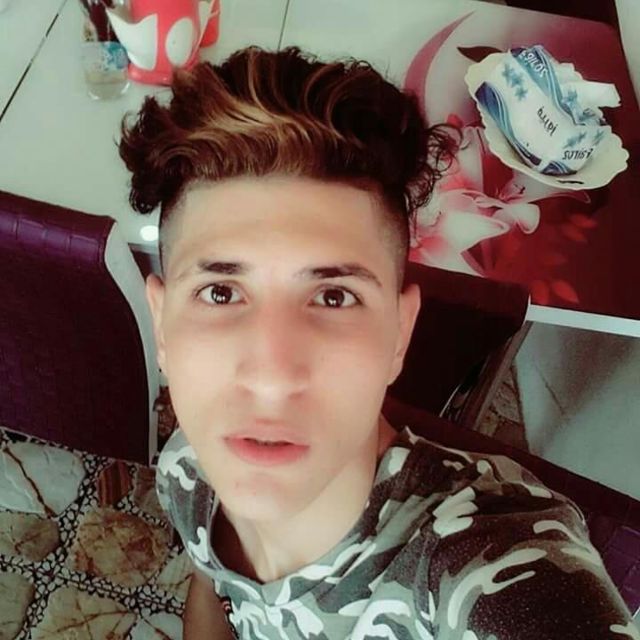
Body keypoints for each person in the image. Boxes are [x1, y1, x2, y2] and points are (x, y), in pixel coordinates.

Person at [118, 47, 638, 639]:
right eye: (220, 293)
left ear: (400, 333)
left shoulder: (477, 558)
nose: (270, 379)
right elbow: (210, 582)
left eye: (333, 296)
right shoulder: (188, 469)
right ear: (162, 326)